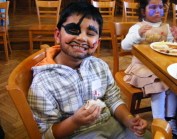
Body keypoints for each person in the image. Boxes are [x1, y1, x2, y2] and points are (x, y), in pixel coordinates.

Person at [28, 1, 151, 139]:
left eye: (90, 33)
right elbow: (46, 134)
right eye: (73, 30)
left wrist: (129, 120)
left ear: (97, 43)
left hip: (113, 125)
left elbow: (113, 99)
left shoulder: (99, 66)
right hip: (77, 134)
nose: (81, 38)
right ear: (57, 35)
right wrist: (75, 121)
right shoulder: (43, 84)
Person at [121, 0, 177, 137]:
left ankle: (170, 119)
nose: (157, 10)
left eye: (160, 7)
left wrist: (175, 39)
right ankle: (159, 121)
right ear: (143, 11)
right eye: (152, 7)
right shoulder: (138, 27)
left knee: (172, 79)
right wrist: (138, 35)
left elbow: (170, 47)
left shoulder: (166, 27)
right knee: (159, 80)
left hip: (161, 65)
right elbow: (124, 46)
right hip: (141, 67)